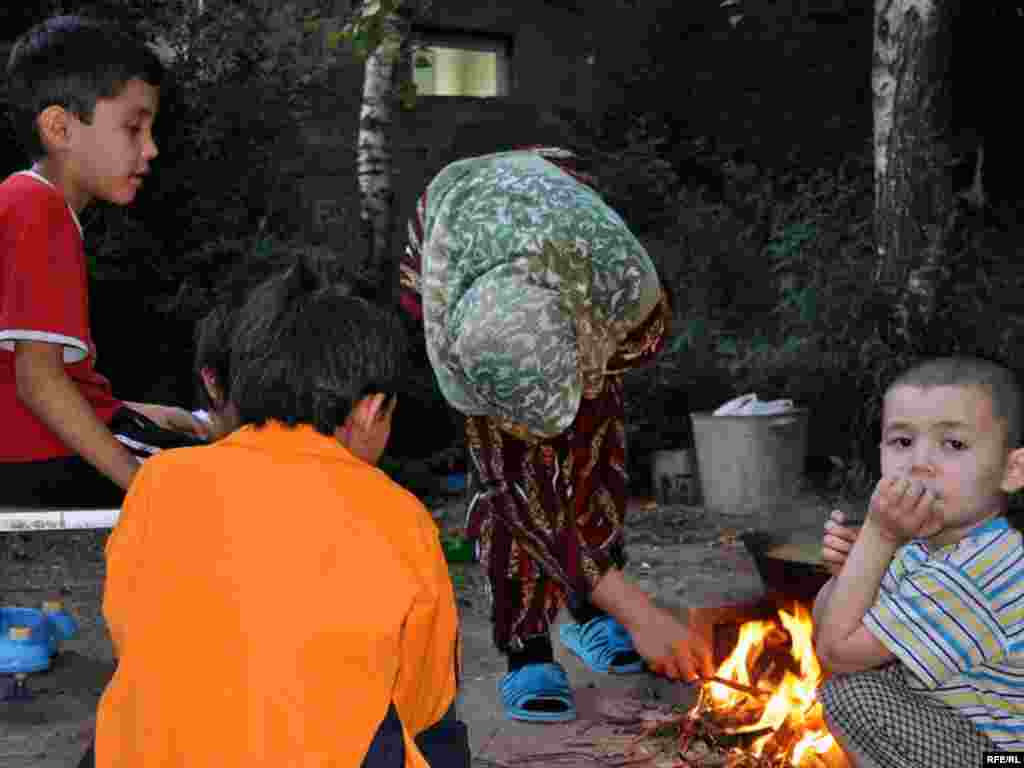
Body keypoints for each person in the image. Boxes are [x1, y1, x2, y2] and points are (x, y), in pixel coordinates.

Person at [83, 259, 468, 768]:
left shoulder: (159, 482)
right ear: (370, 410)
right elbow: (424, 698)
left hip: (146, 753)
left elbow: (130, 626)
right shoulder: (396, 515)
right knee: (436, 737)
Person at [400, 147, 712, 722]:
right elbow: (520, 496)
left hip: (557, 243)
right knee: (513, 482)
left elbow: (619, 360)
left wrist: (587, 385)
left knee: (593, 447)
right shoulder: (453, 320)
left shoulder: (619, 285)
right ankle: (528, 649)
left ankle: (592, 612)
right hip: (480, 274)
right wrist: (645, 613)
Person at [0, 16, 207, 509]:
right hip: (36, 456)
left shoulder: (26, 203)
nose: (151, 148)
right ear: (59, 128)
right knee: (228, 479)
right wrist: (140, 486)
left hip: (28, 448)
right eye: (134, 128)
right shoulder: (38, 209)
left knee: (197, 439)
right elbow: (38, 380)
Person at [812, 356, 1024, 766]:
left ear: (1012, 470)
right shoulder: (923, 549)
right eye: (902, 442)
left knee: (852, 692)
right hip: (964, 731)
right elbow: (824, 626)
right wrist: (852, 571)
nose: (919, 463)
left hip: (1005, 757)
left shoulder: (979, 569)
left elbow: (834, 654)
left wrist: (877, 537)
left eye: (954, 444)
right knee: (868, 675)